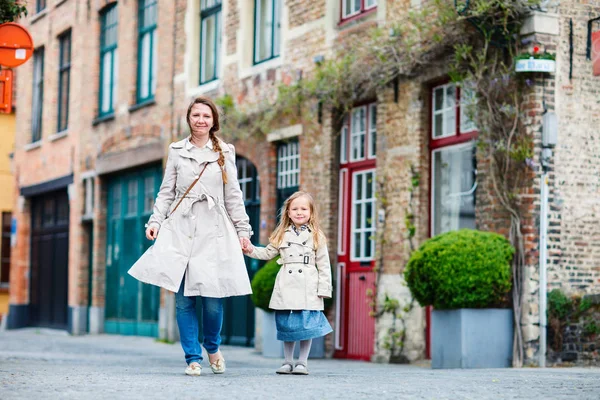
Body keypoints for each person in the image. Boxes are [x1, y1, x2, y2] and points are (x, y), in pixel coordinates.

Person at [128, 96, 253, 377]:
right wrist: (155, 221)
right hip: (181, 230)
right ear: (189, 119)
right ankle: (192, 358)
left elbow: (233, 196)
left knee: (212, 299)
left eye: (206, 116)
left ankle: (212, 345)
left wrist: (243, 231)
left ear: (213, 121)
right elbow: (166, 191)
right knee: (184, 299)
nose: (200, 120)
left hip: (214, 232)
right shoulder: (176, 151)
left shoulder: (225, 151)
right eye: (196, 115)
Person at [242, 191, 333, 375]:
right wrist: (249, 249)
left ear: (311, 212)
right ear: (288, 213)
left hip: (308, 284)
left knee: (307, 326)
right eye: (295, 209)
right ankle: (287, 361)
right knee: (287, 324)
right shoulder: (281, 234)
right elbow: (267, 253)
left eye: (304, 209)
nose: (300, 212)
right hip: (287, 283)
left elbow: (324, 264)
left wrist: (324, 288)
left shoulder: (317, 236)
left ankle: (302, 362)